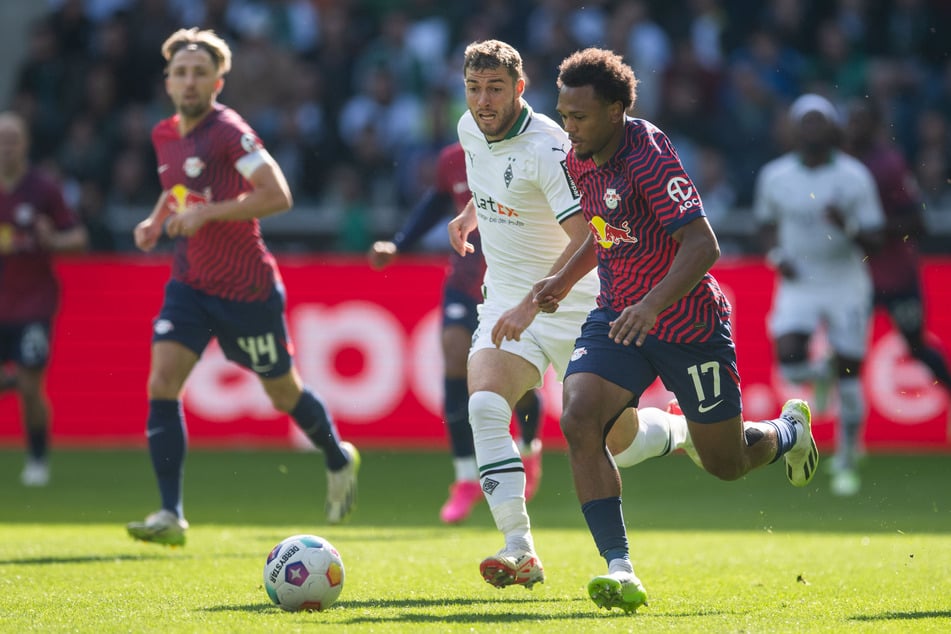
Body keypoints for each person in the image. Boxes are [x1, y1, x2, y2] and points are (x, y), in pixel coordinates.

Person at [532, 48, 818, 614]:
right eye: (564, 115)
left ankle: (787, 430)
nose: (569, 128)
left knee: (727, 463)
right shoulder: (580, 155)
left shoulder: (650, 154)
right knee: (579, 415)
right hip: (618, 315)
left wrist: (653, 304)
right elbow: (603, 226)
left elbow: (703, 244)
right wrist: (563, 279)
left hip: (687, 324)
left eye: (580, 117)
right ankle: (620, 568)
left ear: (616, 111)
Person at [448, 40, 696, 592]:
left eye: (494, 89)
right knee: (486, 405)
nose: (482, 101)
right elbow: (493, 178)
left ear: (519, 89)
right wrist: (470, 212)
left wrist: (532, 302)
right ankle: (519, 550)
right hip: (506, 300)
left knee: (622, 446)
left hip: (576, 306)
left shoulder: (550, 148)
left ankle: (682, 431)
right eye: (473, 88)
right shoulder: (470, 127)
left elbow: (592, 236)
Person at [126, 28, 359, 547]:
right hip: (188, 282)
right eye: (180, 72)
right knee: (162, 383)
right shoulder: (164, 133)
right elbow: (178, 189)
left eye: (199, 73)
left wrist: (210, 213)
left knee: (282, 393)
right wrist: (155, 218)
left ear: (218, 81)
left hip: (245, 290)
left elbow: (278, 195)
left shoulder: (230, 131)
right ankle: (170, 514)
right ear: (167, 81)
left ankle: (337, 456)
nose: (189, 81)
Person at [367, 141, 546, 525]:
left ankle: (529, 447)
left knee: (520, 383)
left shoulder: (530, 152)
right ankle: (466, 477)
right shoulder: (452, 159)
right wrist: (399, 245)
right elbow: (436, 202)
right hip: (464, 283)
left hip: (511, 286)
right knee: (453, 359)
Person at [754, 94, 885, 498]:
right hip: (801, 282)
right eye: (805, 122)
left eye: (819, 122)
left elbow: (876, 239)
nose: (812, 130)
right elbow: (765, 223)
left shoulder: (853, 176)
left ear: (832, 129)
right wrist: (777, 255)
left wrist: (844, 225)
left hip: (845, 281)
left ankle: (846, 458)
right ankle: (820, 374)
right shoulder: (775, 176)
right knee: (790, 362)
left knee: (849, 376)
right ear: (794, 129)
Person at [0, 111, 89, 487]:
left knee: (31, 388)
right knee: (21, 381)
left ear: (26, 144)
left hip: (33, 305)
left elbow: (78, 239)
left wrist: (53, 239)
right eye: (2, 139)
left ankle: (37, 460)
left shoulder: (43, 189)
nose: (7, 146)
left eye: (13, 139)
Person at [844, 101, 951, 394]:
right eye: (850, 120)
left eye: (860, 121)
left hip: (896, 277)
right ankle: (845, 427)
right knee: (845, 351)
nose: (853, 127)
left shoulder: (889, 164)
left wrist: (869, 230)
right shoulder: (842, 163)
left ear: (875, 126)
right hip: (857, 279)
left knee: (916, 348)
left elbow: (917, 223)